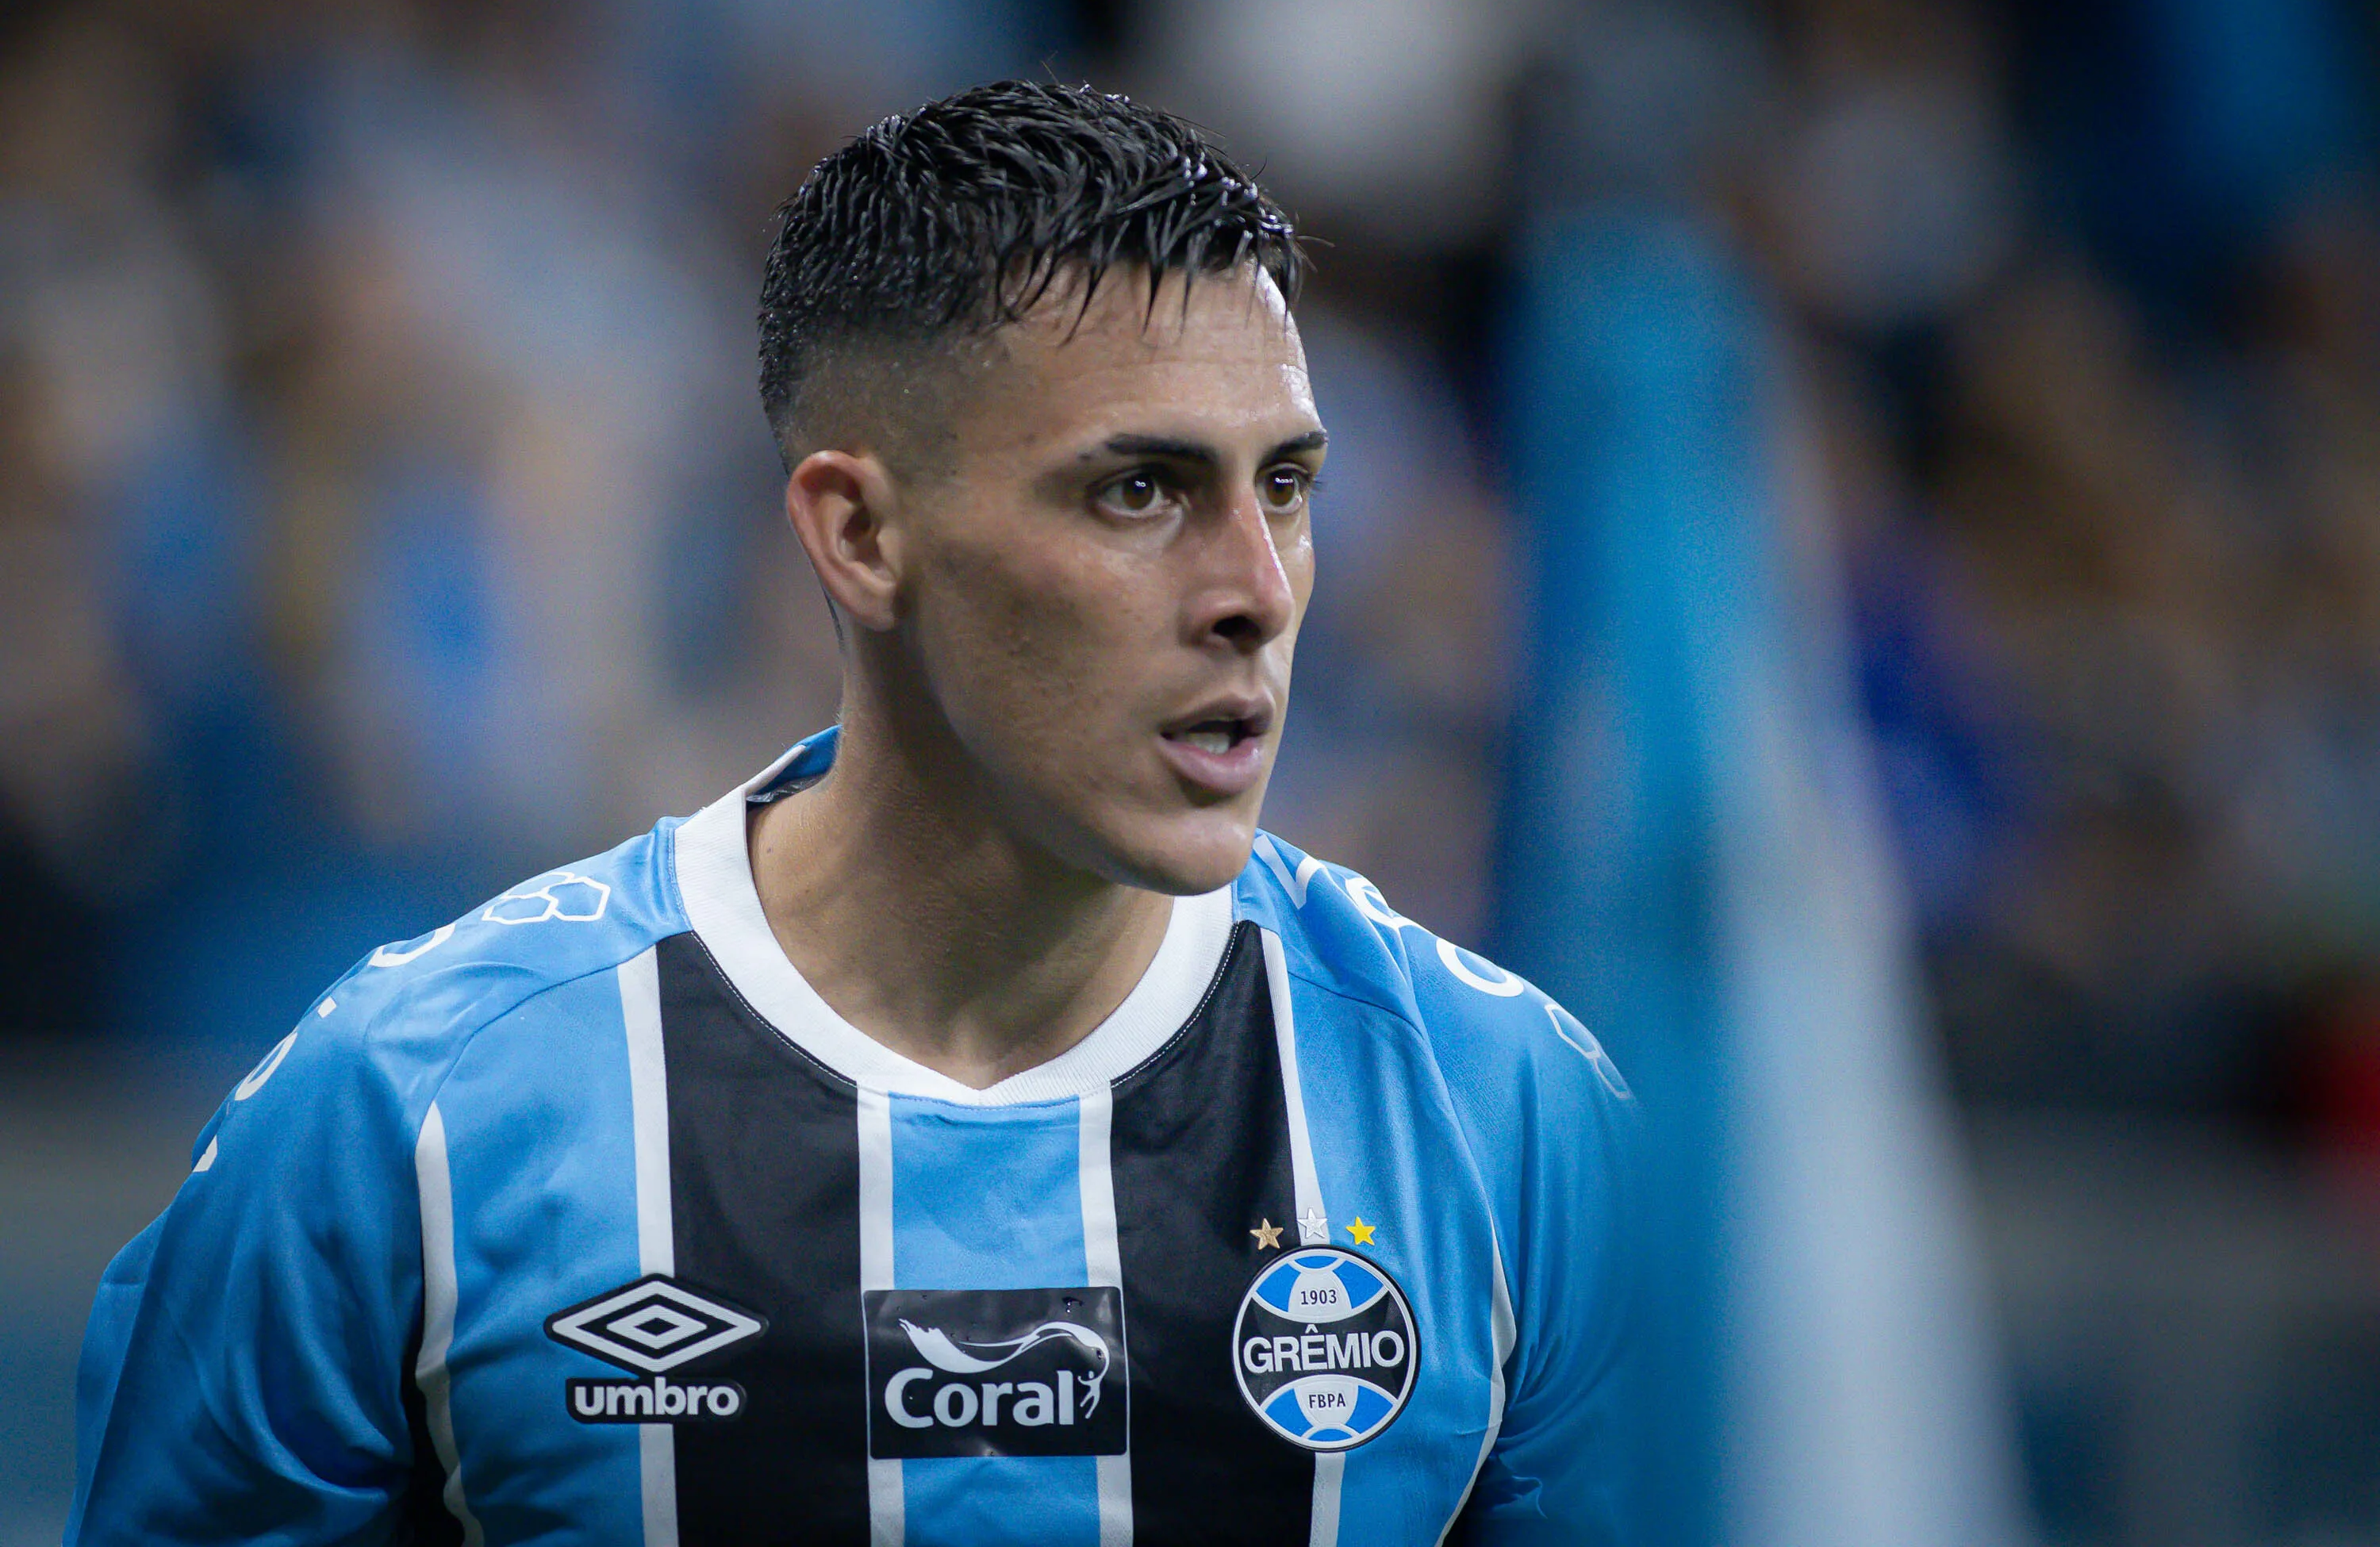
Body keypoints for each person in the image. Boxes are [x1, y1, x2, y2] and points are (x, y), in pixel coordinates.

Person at [69, 82, 1637, 1546]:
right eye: (1138, 490)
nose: (1254, 591)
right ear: (860, 531)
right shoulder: (404, 1119)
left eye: (1285, 486)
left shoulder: (1507, 1120)